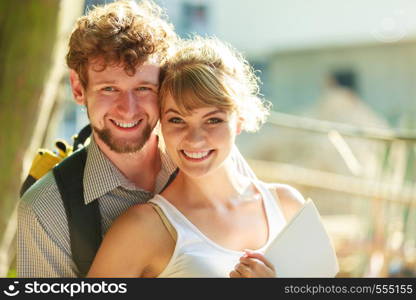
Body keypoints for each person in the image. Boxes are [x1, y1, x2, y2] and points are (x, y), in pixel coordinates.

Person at [17, 0, 254, 278]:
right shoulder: (46, 210)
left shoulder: (203, 154)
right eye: (109, 89)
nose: (128, 108)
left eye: (143, 88)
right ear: (79, 88)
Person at [87, 37, 306, 278]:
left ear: (240, 119)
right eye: (177, 120)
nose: (195, 139)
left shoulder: (287, 206)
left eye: (213, 120)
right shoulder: (142, 229)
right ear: (161, 123)